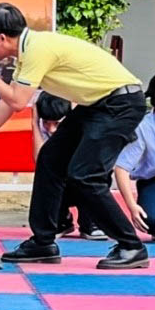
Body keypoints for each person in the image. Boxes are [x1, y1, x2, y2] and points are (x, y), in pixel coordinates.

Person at [0, 3, 149, 269]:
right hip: (97, 104)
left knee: (84, 175)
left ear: (1, 38)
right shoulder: (28, 51)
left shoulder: (37, 49)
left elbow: (18, 101)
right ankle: (43, 241)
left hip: (120, 104)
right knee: (50, 158)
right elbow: (7, 104)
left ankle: (131, 246)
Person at [31, 92, 104, 240]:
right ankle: (61, 221)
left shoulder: (84, 125)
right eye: (46, 122)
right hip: (60, 183)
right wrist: (35, 124)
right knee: (46, 175)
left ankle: (90, 222)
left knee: (90, 174)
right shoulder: (43, 129)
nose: (51, 129)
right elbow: (40, 161)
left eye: (57, 123)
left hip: (82, 178)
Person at [114, 69, 155, 243]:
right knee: (151, 220)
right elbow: (121, 168)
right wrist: (132, 206)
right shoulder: (143, 127)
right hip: (154, 178)